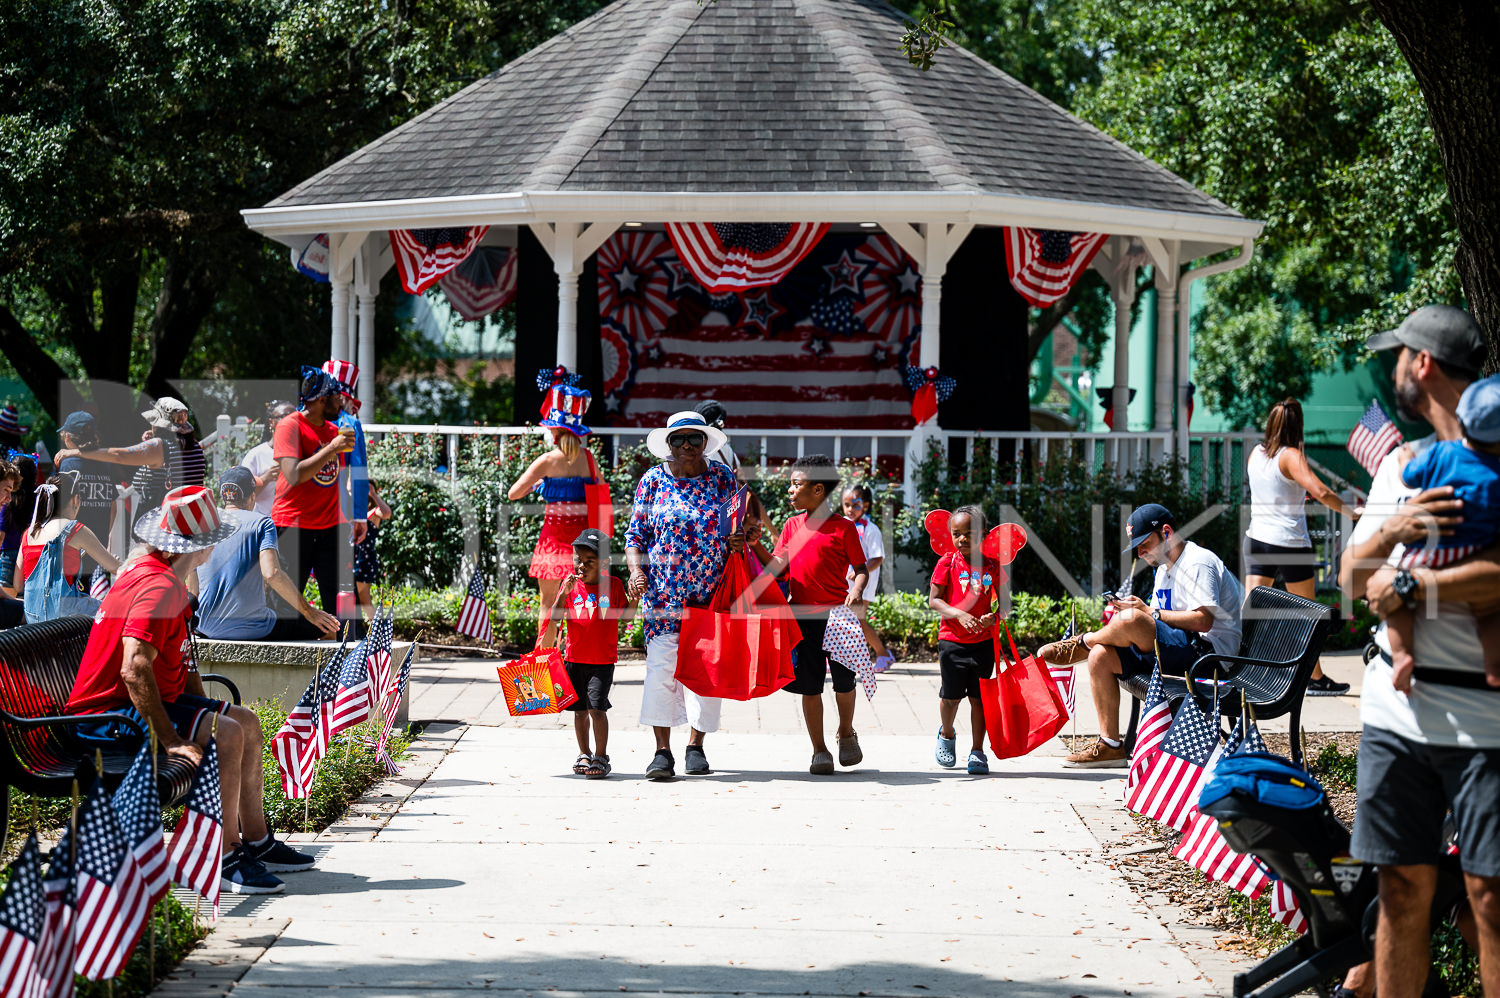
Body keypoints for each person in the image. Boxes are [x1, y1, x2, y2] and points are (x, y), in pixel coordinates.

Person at [1337, 304, 1500, 998]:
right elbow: (1349, 580)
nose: (1393, 367)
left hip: (1485, 719)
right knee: (1401, 889)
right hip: (1397, 716)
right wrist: (1397, 527)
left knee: (1491, 899)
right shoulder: (1404, 464)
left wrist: (1408, 579)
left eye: (1399, 355)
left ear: (1423, 364)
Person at [66, 485, 316, 895]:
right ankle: (223, 854)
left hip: (131, 706)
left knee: (246, 721)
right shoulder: (157, 586)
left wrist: (204, 706)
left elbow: (181, 662)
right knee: (228, 731)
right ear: (196, 548)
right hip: (104, 718)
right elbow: (133, 669)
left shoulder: (164, 577)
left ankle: (257, 840)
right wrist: (171, 739)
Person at [1041, 503, 1243, 768]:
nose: (1140, 551)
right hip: (1179, 648)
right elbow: (1157, 617)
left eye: (1145, 543)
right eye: (1137, 546)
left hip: (1209, 657)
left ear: (1167, 532)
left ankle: (1083, 642)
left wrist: (1148, 613)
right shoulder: (1163, 568)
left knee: (1132, 619)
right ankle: (1111, 746)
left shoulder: (1199, 561)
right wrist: (1141, 612)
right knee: (1101, 656)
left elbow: (1204, 620)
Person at [625, 410, 742, 780]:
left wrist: (738, 540)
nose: (687, 445)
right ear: (668, 444)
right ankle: (662, 752)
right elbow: (635, 536)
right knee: (661, 670)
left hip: (710, 594)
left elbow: (736, 527)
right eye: (678, 439)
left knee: (706, 672)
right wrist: (635, 570)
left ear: (706, 442)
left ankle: (696, 746)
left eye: (694, 438)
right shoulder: (652, 480)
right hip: (662, 597)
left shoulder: (722, 478)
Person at [749, 455, 868, 776]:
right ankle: (819, 750)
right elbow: (777, 567)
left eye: (796, 484)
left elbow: (860, 570)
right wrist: (756, 545)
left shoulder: (844, 528)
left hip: (838, 617)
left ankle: (846, 732)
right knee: (809, 685)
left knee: (845, 682)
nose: (790, 490)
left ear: (818, 490)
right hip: (802, 618)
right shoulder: (791, 525)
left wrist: (856, 590)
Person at [1384, 373, 1500, 689]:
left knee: (1397, 603)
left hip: (1428, 548)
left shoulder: (1442, 454)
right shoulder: (1496, 472)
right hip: (1475, 553)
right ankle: (1493, 666)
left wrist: (1405, 460)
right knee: (1491, 611)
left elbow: (1408, 477)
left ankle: (1402, 654)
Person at [1244, 398, 1356, 695]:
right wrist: (1353, 513)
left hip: (1257, 539)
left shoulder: (1256, 453)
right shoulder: (1291, 455)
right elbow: (1320, 491)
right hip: (1289, 543)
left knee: (1250, 613)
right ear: (1298, 425)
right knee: (1308, 615)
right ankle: (1314, 679)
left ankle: (1242, 670)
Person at [189, 467, 341, 641]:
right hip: (250, 627)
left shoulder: (204, 523)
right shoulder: (262, 522)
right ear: (252, 496)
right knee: (328, 627)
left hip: (203, 626)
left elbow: (193, 584)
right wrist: (309, 612)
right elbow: (272, 573)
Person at [507, 382, 600, 639]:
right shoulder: (589, 459)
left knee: (548, 604)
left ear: (554, 431)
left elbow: (513, 493)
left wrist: (540, 486)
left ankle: (545, 660)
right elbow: (603, 499)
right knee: (579, 603)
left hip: (552, 541)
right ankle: (575, 658)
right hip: (583, 543)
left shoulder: (547, 461)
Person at [542, 527, 632, 780]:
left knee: (597, 709)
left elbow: (626, 616)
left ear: (603, 562)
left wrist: (635, 597)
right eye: (577, 559)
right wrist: (564, 594)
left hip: (602, 661)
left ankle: (601, 757)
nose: (581, 565)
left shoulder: (612, 585)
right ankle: (584, 753)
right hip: (573, 659)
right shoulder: (570, 586)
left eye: (589, 561)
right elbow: (556, 618)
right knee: (579, 711)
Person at [272, 367, 356, 616]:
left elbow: (337, 478)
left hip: (330, 526)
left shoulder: (333, 431)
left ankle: (347, 650)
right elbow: (293, 474)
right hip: (293, 525)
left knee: (339, 599)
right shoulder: (290, 426)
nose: (341, 400)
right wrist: (332, 448)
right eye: (337, 396)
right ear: (322, 399)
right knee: (287, 605)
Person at [926, 505, 1000, 775]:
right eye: (957, 533)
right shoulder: (947, 562)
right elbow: (934, 600)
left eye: (969, 533)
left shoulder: (992, 565)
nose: (962, 539)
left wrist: (994, 616)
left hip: (983, 642)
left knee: (980, 699)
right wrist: (958, 614)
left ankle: (977, 750)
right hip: (952, 641)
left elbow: (1002, 604)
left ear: (984, 534)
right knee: (951, 697)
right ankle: (946, 734)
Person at [17, 471, 121, 624]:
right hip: (66, 622)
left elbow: (18, 584)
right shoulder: (75, 530)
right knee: (116, 612)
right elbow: (116, 568)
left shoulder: (29, 534)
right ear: (76, 499)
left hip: (34, 620)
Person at [56, 411, 119, 576]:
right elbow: (113, 506)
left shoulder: (67, 465)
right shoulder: (106, 464)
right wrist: (103, 533)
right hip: (99, 545)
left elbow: (59, 504)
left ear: (68, 437)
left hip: (72, 544)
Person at [842, 483, 895, 672]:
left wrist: (858, 573)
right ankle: (844, 658)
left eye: (855, 505)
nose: (850, 509)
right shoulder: (844, 526)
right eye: (846, 505)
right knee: (849, 620)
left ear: (865, 505)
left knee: (858, 620)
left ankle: (882, 654)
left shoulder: (871, 530)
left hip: (864, 583)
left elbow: (877, 558)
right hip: (846, 583)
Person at [242, 401, 295, 517]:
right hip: (264, 523)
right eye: (284, 416)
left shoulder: (302, 453)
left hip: (294, 523)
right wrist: (266, 478)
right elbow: (242, 496)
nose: (291, 421)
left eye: (294, 416)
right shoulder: (256, 455)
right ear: (271, 422)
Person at [353, 481, 392, 630]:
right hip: (355, 559)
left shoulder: (374, 512)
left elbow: (387, 513)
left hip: (365, 560)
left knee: (364, 600)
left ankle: (379, 631)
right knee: (357, 599)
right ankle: (366, 631)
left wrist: (373, 494)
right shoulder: (357, 511)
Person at [0, 453, 37, 598]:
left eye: (10, 491)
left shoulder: (8, 506)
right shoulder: (36, 500)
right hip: (27, 556)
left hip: (9, 555)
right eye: (6, 490)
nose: (8, 498)